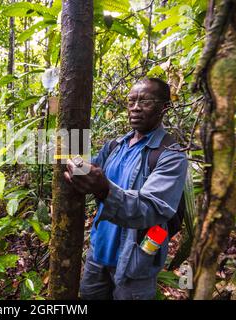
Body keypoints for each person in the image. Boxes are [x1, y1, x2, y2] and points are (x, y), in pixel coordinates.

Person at [64, 78, 188, 300]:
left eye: (145, 101)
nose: (136, 107)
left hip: (135, 263)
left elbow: (150, 208)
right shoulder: (114, 146)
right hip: (97, 253)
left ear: (164, 107)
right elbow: (86, 170)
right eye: (131, 101)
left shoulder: (171, 155)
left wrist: (104, 189)